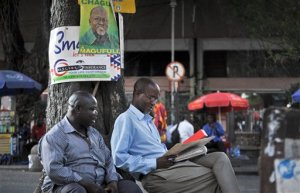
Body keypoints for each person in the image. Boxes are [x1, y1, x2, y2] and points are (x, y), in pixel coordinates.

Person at [111, 78, 240, 193]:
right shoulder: (126, 119)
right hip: (156, 174)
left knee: (220, 158)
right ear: (137, 94)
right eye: (150, 97)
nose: (153, 102)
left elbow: (158, 150)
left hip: (172, 162)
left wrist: (183, 151)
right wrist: (154, 163)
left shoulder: (148, 121)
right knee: (216, 177)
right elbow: (119, 158)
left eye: (156, 99)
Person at [39, 91, 142, 193]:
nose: (96, 113)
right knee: (77, 190)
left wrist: (112, 181)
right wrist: (84, 183)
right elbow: (54, 169)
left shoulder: (94, 134)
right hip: (67, 186)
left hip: (100, 185)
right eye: (92, 109)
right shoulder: (55, 136)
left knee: (130, 188)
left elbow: (108, 159)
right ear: (78, 109)